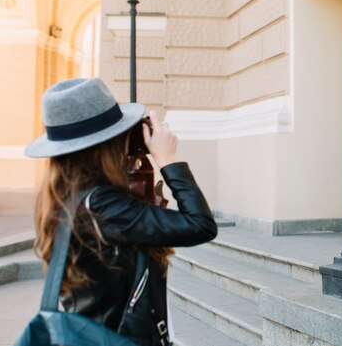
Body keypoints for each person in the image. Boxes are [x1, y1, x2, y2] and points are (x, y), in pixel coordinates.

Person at [25, 77, 218, 345]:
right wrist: (167, 160)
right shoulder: (103, 208)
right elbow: (200, 224)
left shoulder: (67, 198)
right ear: (107, 143)